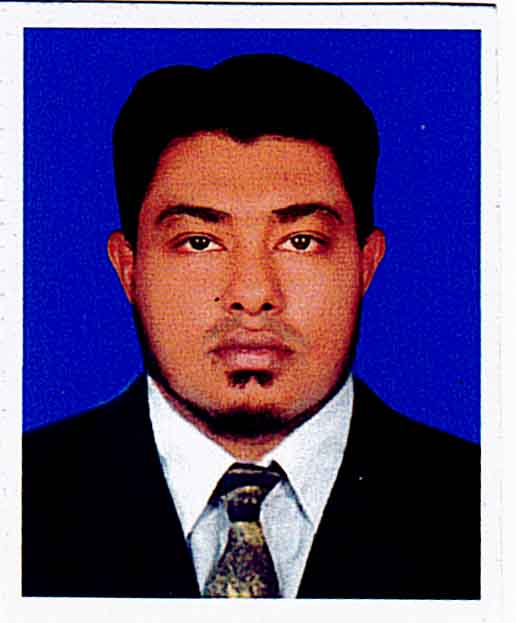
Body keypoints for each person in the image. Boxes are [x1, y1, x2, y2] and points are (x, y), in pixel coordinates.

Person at [22, 53, 479, 599]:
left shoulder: (486, 505)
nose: (253, 294)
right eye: (200, 242)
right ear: (129, 269)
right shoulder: (19, 498)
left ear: (365, 264)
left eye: (300, 242)